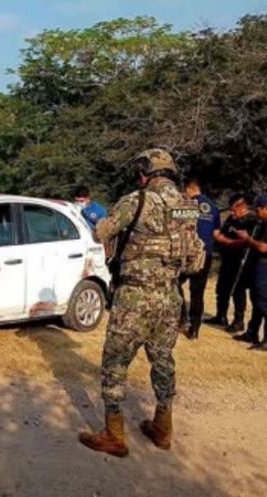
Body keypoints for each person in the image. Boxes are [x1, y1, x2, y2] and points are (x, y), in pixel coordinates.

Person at [78, 148, 197, 456]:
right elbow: (196, 259)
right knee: (163, 360)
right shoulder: (188, 207)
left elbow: (101, 232)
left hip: (135, 296)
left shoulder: (136, 201)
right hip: (170, 296)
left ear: (145, 173)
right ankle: (162, 428)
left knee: (115, 362)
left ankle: (114, 435)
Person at [233, 195, 267, 352]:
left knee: (264, 302)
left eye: (258, 209)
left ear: (266, 208)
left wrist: (247, 239)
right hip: (258, 265)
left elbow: (264, 247)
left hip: (265, 265)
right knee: (257, 300)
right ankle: (252, 333)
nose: (256, 213)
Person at [205, 194, 259, 333]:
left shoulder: (252, 221)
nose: (231, 212)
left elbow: (246, 241)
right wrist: (225, 240)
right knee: (222, 288)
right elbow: (219, 234)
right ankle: (220, 315)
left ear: (243, 207)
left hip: (241, 260)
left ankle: (238, 321)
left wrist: (228, 241)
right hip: (228, 257)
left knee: (237, 290)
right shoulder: (231, 219)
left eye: (234, 209)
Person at [177, 177, 220, 339]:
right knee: (197, 293)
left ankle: (182, 319)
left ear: (189, 189)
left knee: (175, 283)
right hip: (206, 254)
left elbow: (174, 222)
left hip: (188, 253)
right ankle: (194, 329)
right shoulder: (214, 209)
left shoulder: (188, 207)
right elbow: (216, 233)